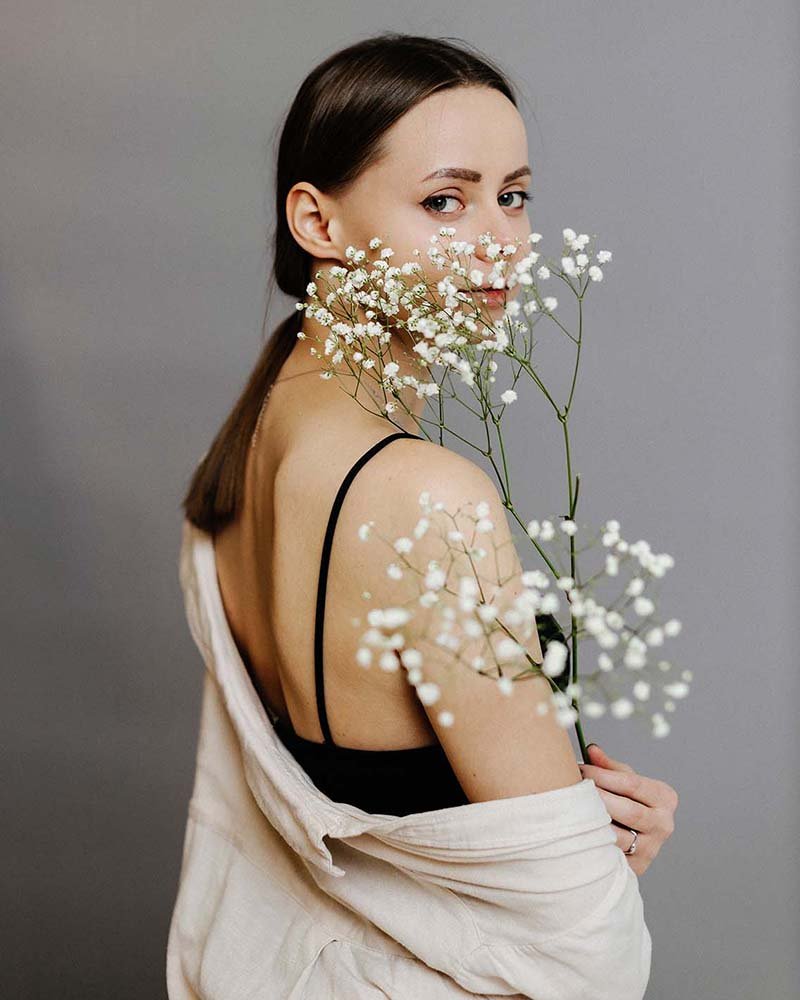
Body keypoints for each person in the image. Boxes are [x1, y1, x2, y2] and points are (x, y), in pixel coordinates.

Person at [168, 31, 676, 998]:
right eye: (445, 200)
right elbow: (579, 942)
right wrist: (594, 866)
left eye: (513, 196)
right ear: (316, 220)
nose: (499, 240)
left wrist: (587, 826)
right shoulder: (425, 496)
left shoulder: (243, 448)